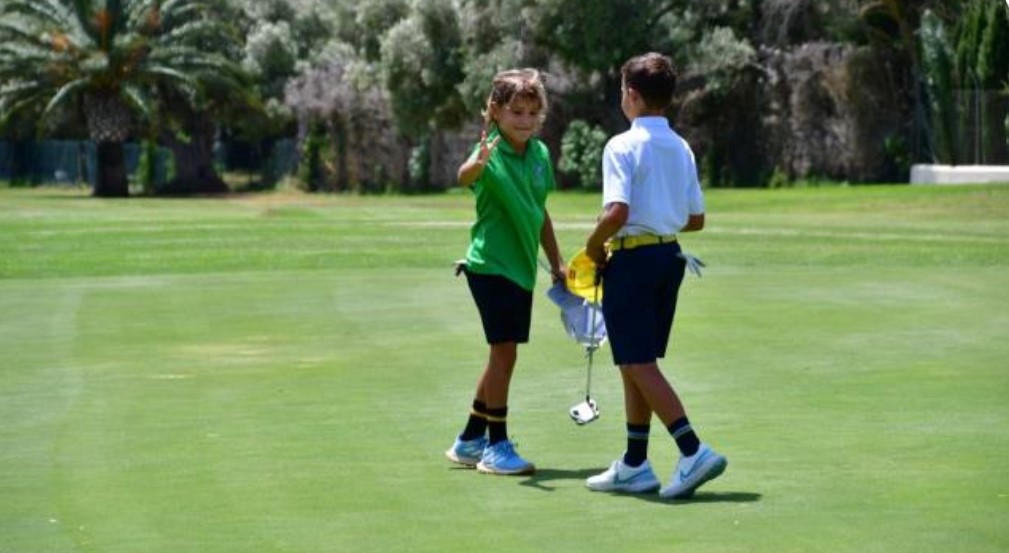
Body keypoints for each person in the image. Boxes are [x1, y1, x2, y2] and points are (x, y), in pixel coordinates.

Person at [582, 53, 727, 498]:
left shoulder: (620, 145)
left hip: (632, 262)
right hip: (669, 260)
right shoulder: (680, 146)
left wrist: (592, 246)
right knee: (635, 361)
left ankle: (692, 450)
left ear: (632, 95)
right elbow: (695, 218)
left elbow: (618, 210)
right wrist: (659, 220)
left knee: (637, 362)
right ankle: (635, 464)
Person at [445, 68, 565, 476]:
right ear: (495, 112)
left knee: (503, 356)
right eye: (517, 112)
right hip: (489, 265)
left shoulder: (540, 155)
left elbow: (540, 212)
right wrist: (477, 162)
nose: (526, 120)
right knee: (504, 352)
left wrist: (557, 261)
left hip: (521, 269)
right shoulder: (489, 152)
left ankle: (468, 439)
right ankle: (496, 446)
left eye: (533, 112)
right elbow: (464, 177)